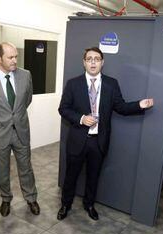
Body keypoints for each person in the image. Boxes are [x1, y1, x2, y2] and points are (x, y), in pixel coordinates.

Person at [57, 46, 154, 221]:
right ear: (84, 62)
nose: (93, 62)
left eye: (97, 59)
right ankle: (65, 204)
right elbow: (63, 109)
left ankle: (89, 205)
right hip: (77, 140)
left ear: (102, 63)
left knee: (93, 177)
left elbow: (121, 107)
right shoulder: (73, 83)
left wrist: (140, 105)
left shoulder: (111, 84)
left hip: (99, 141)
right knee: (70, 176)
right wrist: (81, 118)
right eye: (89, 59)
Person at [0, 42, 40, 217]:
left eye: (16, 57)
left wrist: (14, 116)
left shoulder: (25, 75)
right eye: (10, 57)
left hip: (21, 130)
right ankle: (5, 199)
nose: (14, 61)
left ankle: (31, 198)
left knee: (26, 168)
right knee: (1, 170)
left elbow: (27, 100)